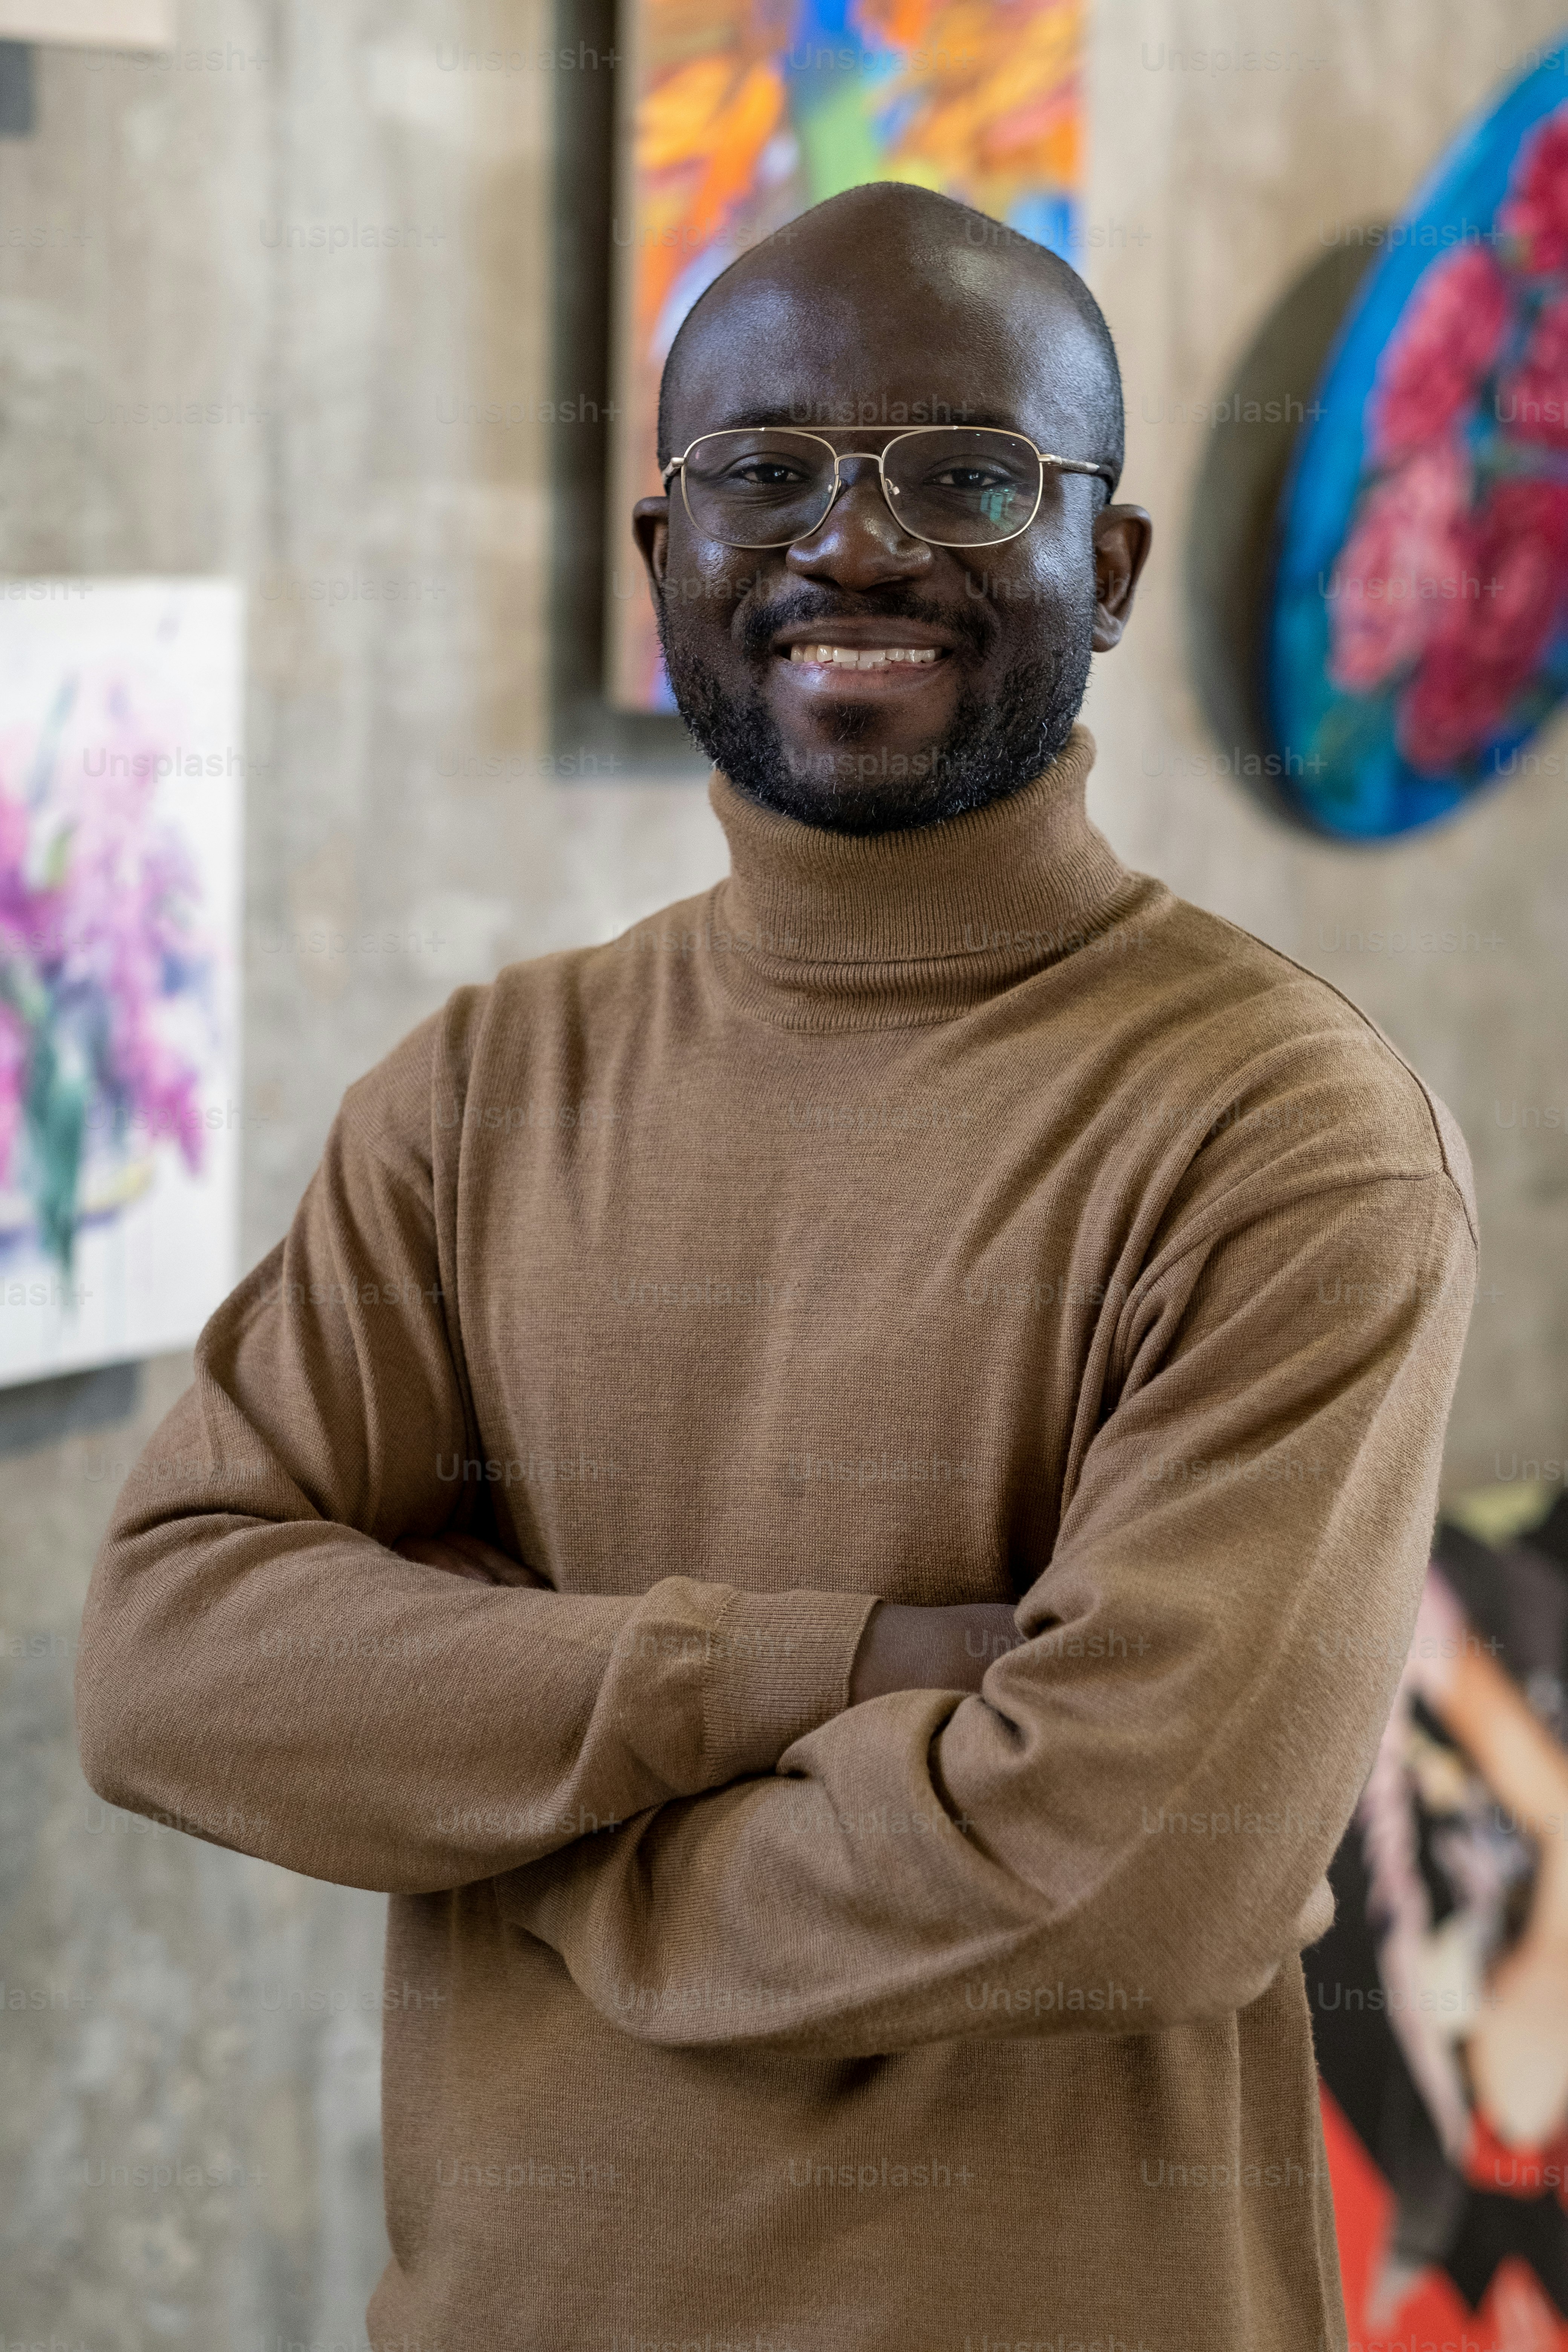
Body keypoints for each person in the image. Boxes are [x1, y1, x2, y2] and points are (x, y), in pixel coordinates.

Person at [77, 183, 1477, 2352]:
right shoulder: (477, 1092)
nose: (857, 542)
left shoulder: (1285, 1131)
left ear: (1100, 571)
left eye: (967, 473)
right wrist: (806, 1677)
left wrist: (527, 1841)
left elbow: (1135, 1859)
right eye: (765, 472)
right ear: (665, 562)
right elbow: (173, 1656)